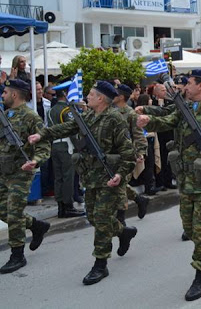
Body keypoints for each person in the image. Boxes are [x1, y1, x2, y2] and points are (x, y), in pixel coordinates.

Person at [137, 70, 201, 301]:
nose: (185, 87)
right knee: (191, 229)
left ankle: (200, 276)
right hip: (186, 180)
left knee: (200, 232)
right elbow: (166, 120)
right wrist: (147, 120)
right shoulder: (184, 109)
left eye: (189, 83)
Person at [29, 81, 138, 285]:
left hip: (109, 179)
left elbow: (128, 153)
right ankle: (124, 232)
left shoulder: (115, 119)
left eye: (91, 94)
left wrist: (121, 175)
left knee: (103, 220)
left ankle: (100, 264)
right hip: (90, 177)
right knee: (95, 218)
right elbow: (68, 127)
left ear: (101, 99)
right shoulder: (87, 116)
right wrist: (43, 134)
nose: (87, 96)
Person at [0, 79, 51, 274]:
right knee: (2, 211)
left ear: (14, 95)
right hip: (2, 171)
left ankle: (17, 255)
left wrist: (35, 161)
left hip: (21, 173)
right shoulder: (5, 115)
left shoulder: (31, 117)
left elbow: (44, 145)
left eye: (5, 92)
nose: (2, 95)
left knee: (13, 212)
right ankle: (36, 225)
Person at [47, 81, 85, 218]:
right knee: (68, 177)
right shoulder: (67, 110)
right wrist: (80, 146)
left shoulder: (51, 110)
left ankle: (61, 207)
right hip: (67, 145)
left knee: (59, 178)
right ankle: (68, 205)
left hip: (55, 145)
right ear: (65, 93)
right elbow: (72, 130)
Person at [113, 84, 149, 222]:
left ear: (121, 97)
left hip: (127, 155)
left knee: (120, 184)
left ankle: (121, 219)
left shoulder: (131, 113)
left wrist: (140, 153)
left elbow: (139, 134)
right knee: (119, 183)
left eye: (115, 94)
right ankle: (139, 199)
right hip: (112, 155)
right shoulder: (110, 111)